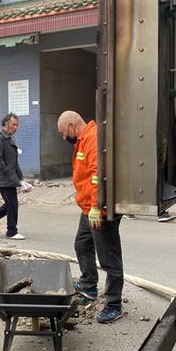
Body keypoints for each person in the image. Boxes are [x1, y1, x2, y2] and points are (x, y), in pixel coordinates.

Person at [57, 110, 125, 324]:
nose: (63, 138)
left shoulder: (93, 138)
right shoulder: (84, 139)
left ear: (70, 126)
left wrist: (97, 206)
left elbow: (99, 175)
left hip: (99, 211)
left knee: (109, 259)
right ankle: (89, 286)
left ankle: (114, 304)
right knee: (82, 244)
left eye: (62, 133)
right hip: (88, 208)